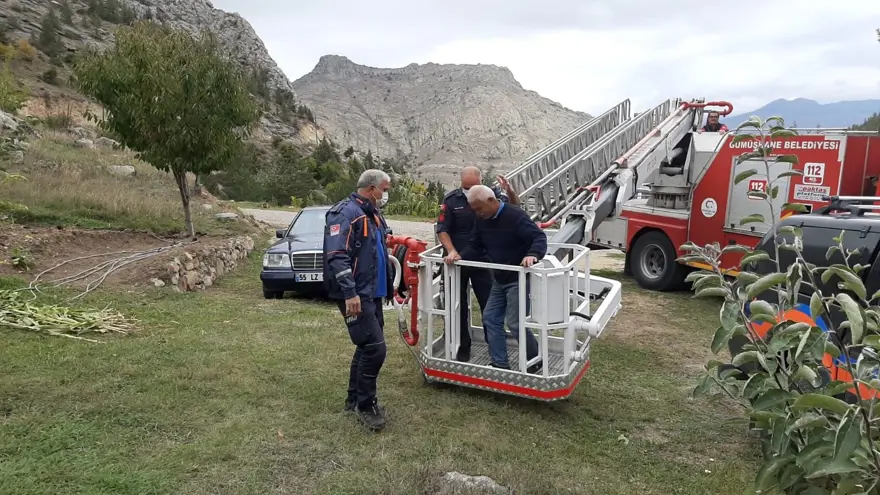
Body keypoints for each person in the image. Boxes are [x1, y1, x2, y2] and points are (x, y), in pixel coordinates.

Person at [444, 184, 547, 373]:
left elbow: (538, 237)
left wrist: (532, 254)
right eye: (473, 209)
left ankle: (535, 359)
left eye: (479, 208)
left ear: (491, 201)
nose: (477, 213)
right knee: (490, 318)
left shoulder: (515, 216)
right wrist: (460, 256)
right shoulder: (482, 219)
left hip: (518, 278)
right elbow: (475, 244)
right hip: (500, 279)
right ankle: (500, 363)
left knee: (515, 323)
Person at [323, 169, 394, 432]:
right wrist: (349, 292)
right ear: (372, 188)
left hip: (372, 293)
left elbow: (377, 253)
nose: (385, 195)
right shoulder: (345, 213)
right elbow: (337, 254)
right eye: (385, 190)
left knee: (366, 345)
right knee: (375, 349)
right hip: (356, 294)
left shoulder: (373, 213)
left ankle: (354, 400)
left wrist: (391, 286)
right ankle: (366, 405)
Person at [435, 166, 520, 362]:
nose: (470, 192)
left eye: (474, 186)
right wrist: (452, 251)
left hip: (484, 260)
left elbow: (514, 209)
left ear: (481, 182)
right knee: (457, 306)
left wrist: (511, 191)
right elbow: (443, 229)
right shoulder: (451, 200)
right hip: (457, 262)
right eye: (466, 188)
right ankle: (463, 345)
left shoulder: (492, 196)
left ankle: (495, 346)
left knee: (489, 306)